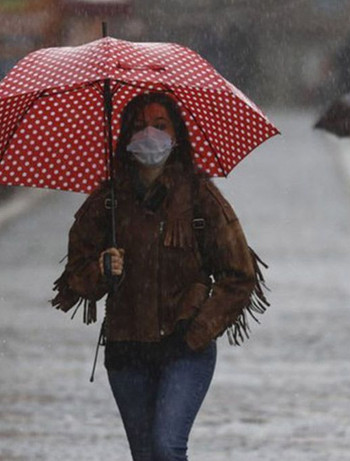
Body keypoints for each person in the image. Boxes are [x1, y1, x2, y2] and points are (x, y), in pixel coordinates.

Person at [51, 92, 267, 461]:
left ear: (177, 134)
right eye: (139, 127)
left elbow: (240, 275)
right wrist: (102, 270)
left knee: (167, 447)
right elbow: (75, 276)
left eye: (160, 125)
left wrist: (197, 331)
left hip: (184, 351)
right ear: (125, 138)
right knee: (146, 455)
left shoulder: (200, 197)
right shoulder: (108, 201)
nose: (149, 134)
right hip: (127, 350)